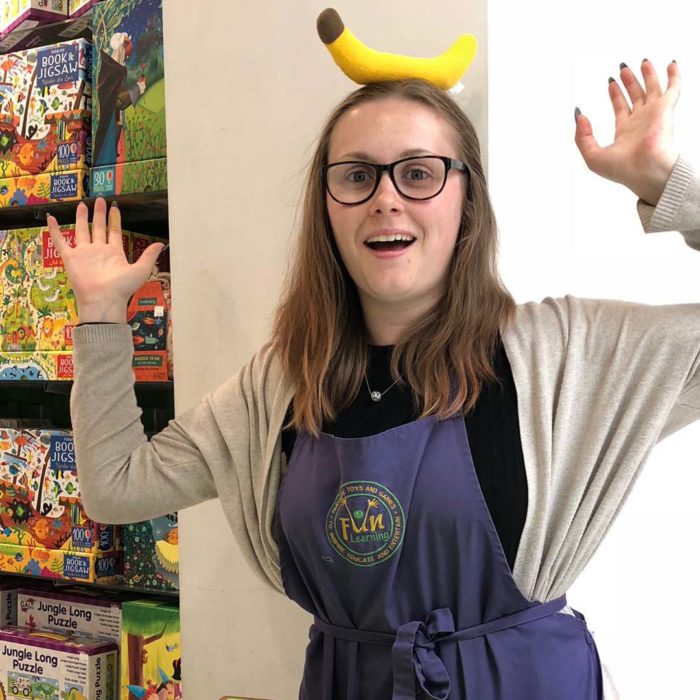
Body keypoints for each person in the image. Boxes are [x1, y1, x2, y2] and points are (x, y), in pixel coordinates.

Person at [49, 58, 700, 700]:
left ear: (467, 197)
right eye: (358, 175)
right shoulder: (279, 384)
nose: (386, 197)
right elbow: (114, 490)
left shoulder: (562, 357)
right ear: (327, 206)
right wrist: (102, 318)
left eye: (418, 172)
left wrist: (673, 186)